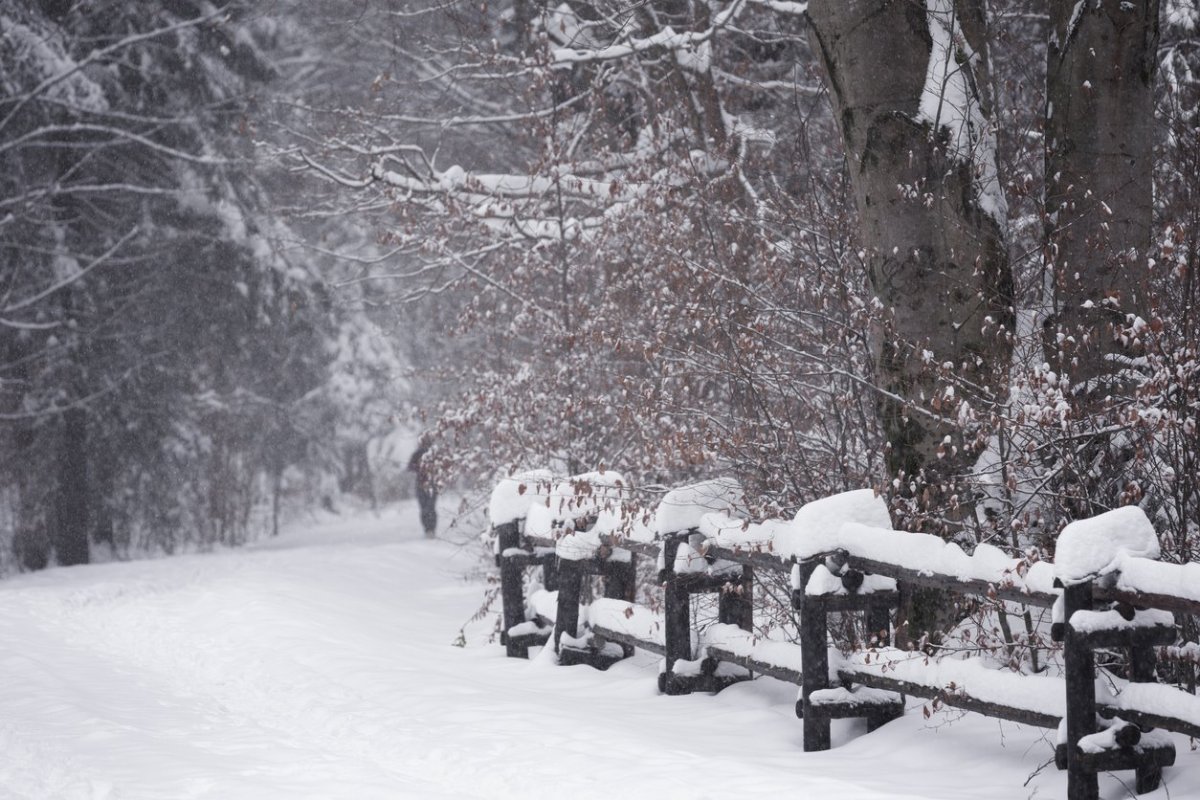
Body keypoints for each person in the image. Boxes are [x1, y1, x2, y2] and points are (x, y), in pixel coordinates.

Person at [407, 435, 437, 538]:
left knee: (427, 508)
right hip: (426, 484)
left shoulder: (429, 453)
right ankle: (429, 529)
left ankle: (429, 529)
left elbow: (410, 467)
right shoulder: (423, 453)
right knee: (429, 507)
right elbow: (410, 467)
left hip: (427, 484)